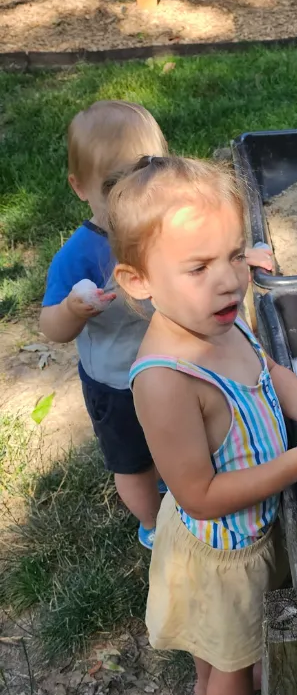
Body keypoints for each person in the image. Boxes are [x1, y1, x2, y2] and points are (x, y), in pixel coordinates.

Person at [108, 155, 297, 695]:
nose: (228, 281)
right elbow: (198, 494)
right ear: (138, 280)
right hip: (221, 554)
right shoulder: (167, 381)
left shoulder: (220, 322)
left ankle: (209, 676)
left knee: (220, 646)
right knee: (232, 662)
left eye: (234, 255)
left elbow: (268, 374)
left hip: (247, 533)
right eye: (199, 267)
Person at [39, 101, 169, 549]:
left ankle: (180, 481)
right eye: (113, 186)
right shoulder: (80, 255)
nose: (131, 197)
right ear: (80, 187)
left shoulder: (163, 226)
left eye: (144, 177)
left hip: (169, 367)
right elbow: (51, 327)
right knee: (133, 462)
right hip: (116, 384)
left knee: (177, 436)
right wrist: (73, 310)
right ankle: (153, 523)